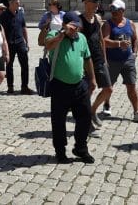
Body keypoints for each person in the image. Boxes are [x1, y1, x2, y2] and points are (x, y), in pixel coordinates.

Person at [44, 11, 97, 164]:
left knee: (85, 116)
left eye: (77, 27)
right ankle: (60, 152)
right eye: (72, 27)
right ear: (64, 25)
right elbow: (47, 45)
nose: (75, 30)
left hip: (79, 85)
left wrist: (92, 79)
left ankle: (80, 148)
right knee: (59, 121)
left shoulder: (82, 38)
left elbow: (87, 59)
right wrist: (61, 35)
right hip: (60, 85)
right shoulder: (55, 35)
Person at [102, 0, 138, 122]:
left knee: (132, 86)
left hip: (128, 60)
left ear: (123, 10)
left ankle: (136, 112)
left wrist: (135, 53)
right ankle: (106, 104)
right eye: (111, 9)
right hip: (112, 60)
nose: (113, 12)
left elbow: (136, 39)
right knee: (109, 86)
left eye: (116, 9)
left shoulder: (130, 23)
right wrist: (119, 44)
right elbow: (104, 41)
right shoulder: (107, 24)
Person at [76, 0, 111, 136]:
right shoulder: (79, 21)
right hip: (86, 61)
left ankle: (92, 111)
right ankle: (87, 124)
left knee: (108, 89)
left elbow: (101, 39)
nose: (97, 4)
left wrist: (105, 59)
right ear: (86, 3)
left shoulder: (97, 18)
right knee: (88, 91)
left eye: (97, 1)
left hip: (99, 59)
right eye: (94, 1)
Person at [0, 0, 33, 95]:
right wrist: (3, 45)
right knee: (9, 65)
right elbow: (1, 30)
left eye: (19, 3)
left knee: (25, 65)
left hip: (20, 42)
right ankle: (10, 87)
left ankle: (24, 87)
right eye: (17, 3)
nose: (19, 4)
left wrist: (27, 42)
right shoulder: (4, 15)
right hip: (9, 43)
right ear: (11, 3)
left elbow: (24, 28)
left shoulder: (20, 14)